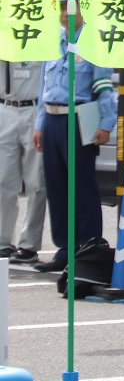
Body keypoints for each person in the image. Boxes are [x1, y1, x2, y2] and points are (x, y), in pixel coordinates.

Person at [32, 0, 116, 273]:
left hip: (82, 116)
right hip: (53, 118)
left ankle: (87, 245)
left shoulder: (92, 41)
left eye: (72, 7)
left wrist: (106, 124)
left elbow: (104, 87)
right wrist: (40, 124)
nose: (66, 14)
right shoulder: (52, 42)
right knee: (56, 186)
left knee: (81, 185)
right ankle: (65, 248)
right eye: (61, 8)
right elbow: (45, 85)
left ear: (83, 9)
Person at [0, 56, 46, 265]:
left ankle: (29, 244)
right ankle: (2, 241)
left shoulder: (45, 36)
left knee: (36, 182)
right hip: (5, 107)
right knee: (3, 180)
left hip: (34, 108)